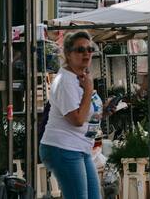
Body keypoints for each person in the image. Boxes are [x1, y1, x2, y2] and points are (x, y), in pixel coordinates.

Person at [40, 31, 105, 199]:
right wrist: (89, 90)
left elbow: (86, 113)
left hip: (80, 147)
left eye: (90, 49)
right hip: (63, 147)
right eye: (80, 50)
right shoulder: (65, 81)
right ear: (68, 54)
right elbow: (77, 119)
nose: (86, 54)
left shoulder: (82, 77)